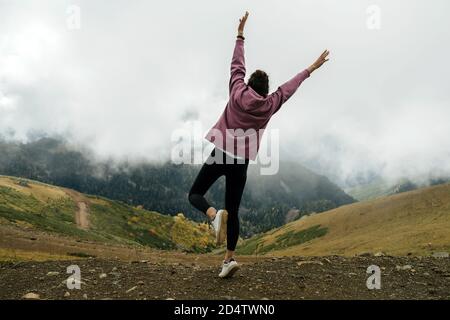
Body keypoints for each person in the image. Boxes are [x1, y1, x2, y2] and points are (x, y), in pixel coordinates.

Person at [188, 11, 330, 278]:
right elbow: (289, 87)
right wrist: (312, 68)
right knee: (234, 210)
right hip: (241, 162)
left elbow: (236, 64)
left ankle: (211, 214)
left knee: (195, 194)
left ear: (248, 83)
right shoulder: (269, 105)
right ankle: (229, 259)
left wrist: (240, 34)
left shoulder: (236, 90)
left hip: (220, 152)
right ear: (266, 91)